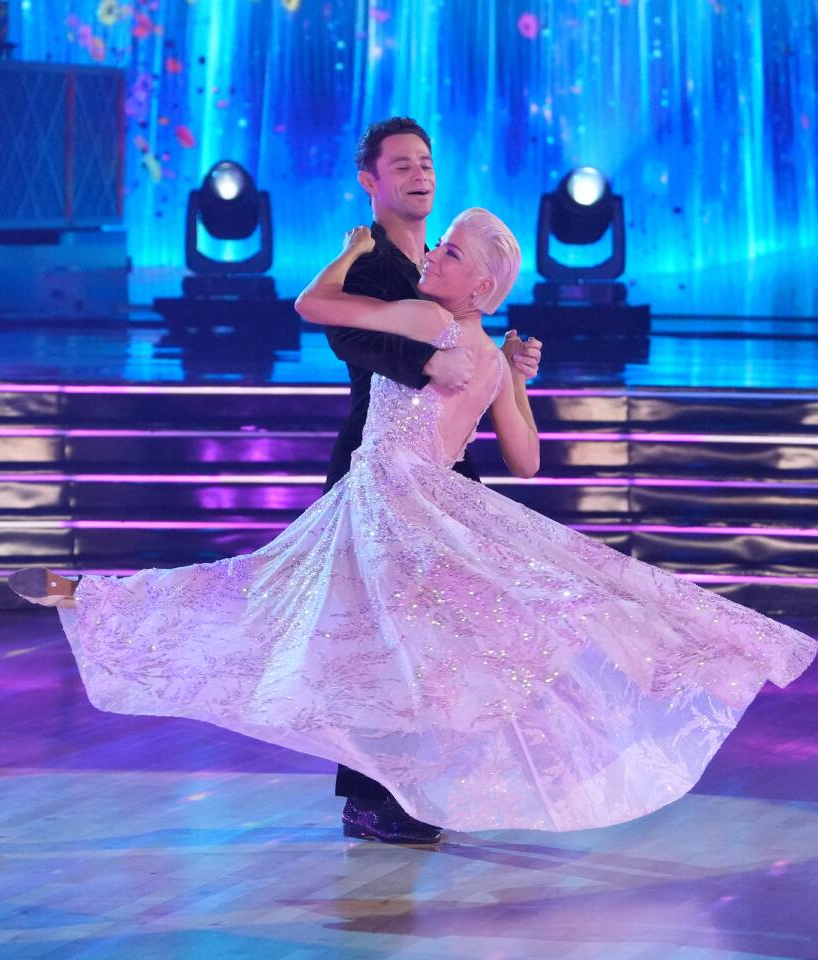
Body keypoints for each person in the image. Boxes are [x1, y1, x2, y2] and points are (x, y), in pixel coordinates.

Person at [11, 207, 818, 838]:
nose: (432, 257)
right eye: (438, 249)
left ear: (481, 290)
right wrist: (518, 377)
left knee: (275, 605)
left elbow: (313, 304)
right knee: (412, 648)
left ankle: (92, 596)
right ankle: (404, 798)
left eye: (451, 255)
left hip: (394, 508)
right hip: (419, 508)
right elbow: (528, 461)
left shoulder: (425, 321)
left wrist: (353, 251)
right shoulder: (484, 348)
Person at [322, 116, 541, 843]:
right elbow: (344, 332)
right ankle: (371, 793)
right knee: (370, 636)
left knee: (448, 633)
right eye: (402, 164)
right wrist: (427, 362)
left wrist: (504, 373)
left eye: (427, 162)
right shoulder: (380, 261)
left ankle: (426, 778)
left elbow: (521, 447)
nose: (420, 174)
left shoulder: (441, 267)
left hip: (444, 472)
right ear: (371, 180)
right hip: (377, 461)